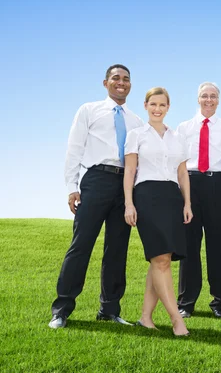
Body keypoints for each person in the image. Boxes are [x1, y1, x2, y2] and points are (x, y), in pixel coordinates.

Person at [49, 64, 144, 329]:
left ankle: (109, 310)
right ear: (106, 83)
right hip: (96, 180)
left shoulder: (136, 121)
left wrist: (134, 197)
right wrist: (72, 186)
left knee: (117, 250)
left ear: (130, 85)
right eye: (116, 78)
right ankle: (61, 310)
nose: (121, 82)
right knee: (81, 246)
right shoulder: (89, 110)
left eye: (126, 79)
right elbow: (74, 148)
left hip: (125, 185)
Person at [123, 87, 191, 336]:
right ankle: (176, 320)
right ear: (145, 105)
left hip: (172, 198)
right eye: (153, 104)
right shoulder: (136, 135)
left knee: (161, 260)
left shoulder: (177, 137)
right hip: (147, 196)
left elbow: (182, 173)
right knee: (160, 258)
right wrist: (129, 203)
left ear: (168, 107)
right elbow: (130, 171)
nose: (157, 109)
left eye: (162, 105)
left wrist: (187, 203)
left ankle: (145, 317)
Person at [176, 82, 221, 319]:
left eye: (213, 96)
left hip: (218, 184)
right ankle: (186, 302)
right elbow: (177, 164)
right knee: (189, 245)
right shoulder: (183, 128)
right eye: (204, 96)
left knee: (219, 245)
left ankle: (220, 302)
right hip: (190, 185)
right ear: (197, 99)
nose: (208, 100)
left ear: (218, 100)